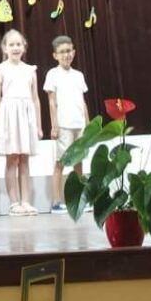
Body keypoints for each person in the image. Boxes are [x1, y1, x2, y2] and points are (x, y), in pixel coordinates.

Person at [0, 29, 41, 216]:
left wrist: (38, 125)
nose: (15, 48)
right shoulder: (0, 69)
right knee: (12, 159)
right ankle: (14, 203)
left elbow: (35, 99)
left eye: (18, 44)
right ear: (4, 48)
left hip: (26, 116)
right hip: (8, 116)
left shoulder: (30, 70)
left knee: (25, 160)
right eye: (11, 44)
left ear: (24, 47)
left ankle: (26, 201)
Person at [44, 35, 89, 214]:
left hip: (79, 124)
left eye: (69, 51)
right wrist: (54, 125)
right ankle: (57, 201)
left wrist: (88, 123)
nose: (66, 55)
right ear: (55, 55)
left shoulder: (78, 75)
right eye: (62, 52)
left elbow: (82, 101)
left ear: (74, 52)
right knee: (60, 162)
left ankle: (81, 199)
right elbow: (51, 101)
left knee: (79, 162)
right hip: (63, 125)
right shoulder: (53, 74)